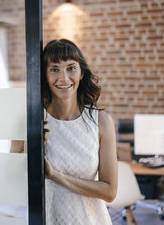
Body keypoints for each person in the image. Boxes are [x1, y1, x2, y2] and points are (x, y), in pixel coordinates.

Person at [11, 38, 117, 224]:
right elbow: (12, 179)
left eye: (71, 68)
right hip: (44, 219)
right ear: (44, 75)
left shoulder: (101, 122)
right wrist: (33, 148)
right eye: (54, 69)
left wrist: (55, 175)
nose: (64, 78)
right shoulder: (28, 120)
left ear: (81, 73)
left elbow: (109, 192)